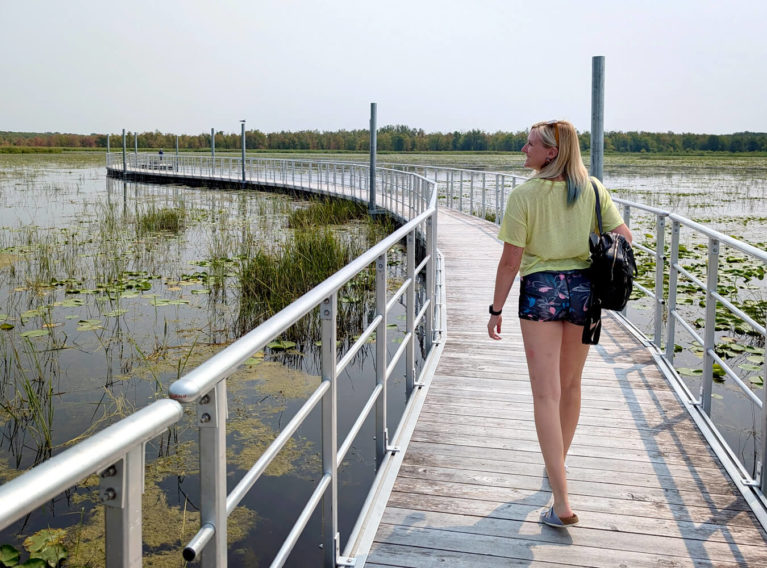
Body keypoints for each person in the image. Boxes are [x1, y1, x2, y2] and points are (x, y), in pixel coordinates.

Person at [486, 119, 632, 528]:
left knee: (546, 395)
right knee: (570, 387)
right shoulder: (591, 187)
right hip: (584, 291)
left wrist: (495, 309)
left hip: (542, 292)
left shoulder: (525, 194)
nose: (523, 150)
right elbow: (625, 236)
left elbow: (511, 261)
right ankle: (557, 468)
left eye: (529, 144)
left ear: (551, 152)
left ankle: (562, 502)